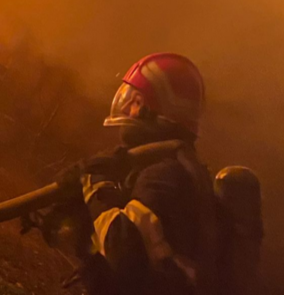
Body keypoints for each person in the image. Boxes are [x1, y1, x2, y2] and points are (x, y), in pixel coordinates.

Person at [38, 53, 259, 295]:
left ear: (149, 109)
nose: (126, 108)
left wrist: (95, 182)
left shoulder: (164, 177)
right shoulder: (180, 173)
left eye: (134, 101)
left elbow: (123, 254)